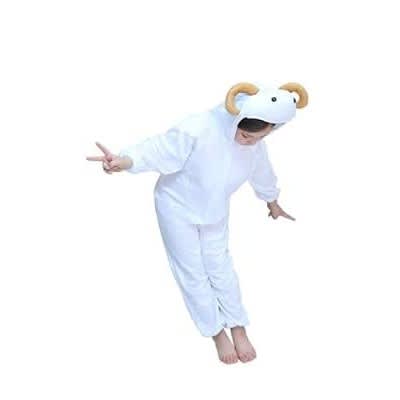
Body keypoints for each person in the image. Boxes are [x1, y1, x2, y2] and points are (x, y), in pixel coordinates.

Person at [86, 81, 308, 364]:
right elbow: (157, 149)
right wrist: (125, 161)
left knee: (221, 268)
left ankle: (238, 325)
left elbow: (262, 171)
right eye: (245, 135)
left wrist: (272, 202)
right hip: (176, 208)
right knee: (193, 271)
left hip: (214, 209)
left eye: (259, 137)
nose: (249, 142)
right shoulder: (198, 129)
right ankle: (215, 331)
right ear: (236, 119)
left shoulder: (255, 146)